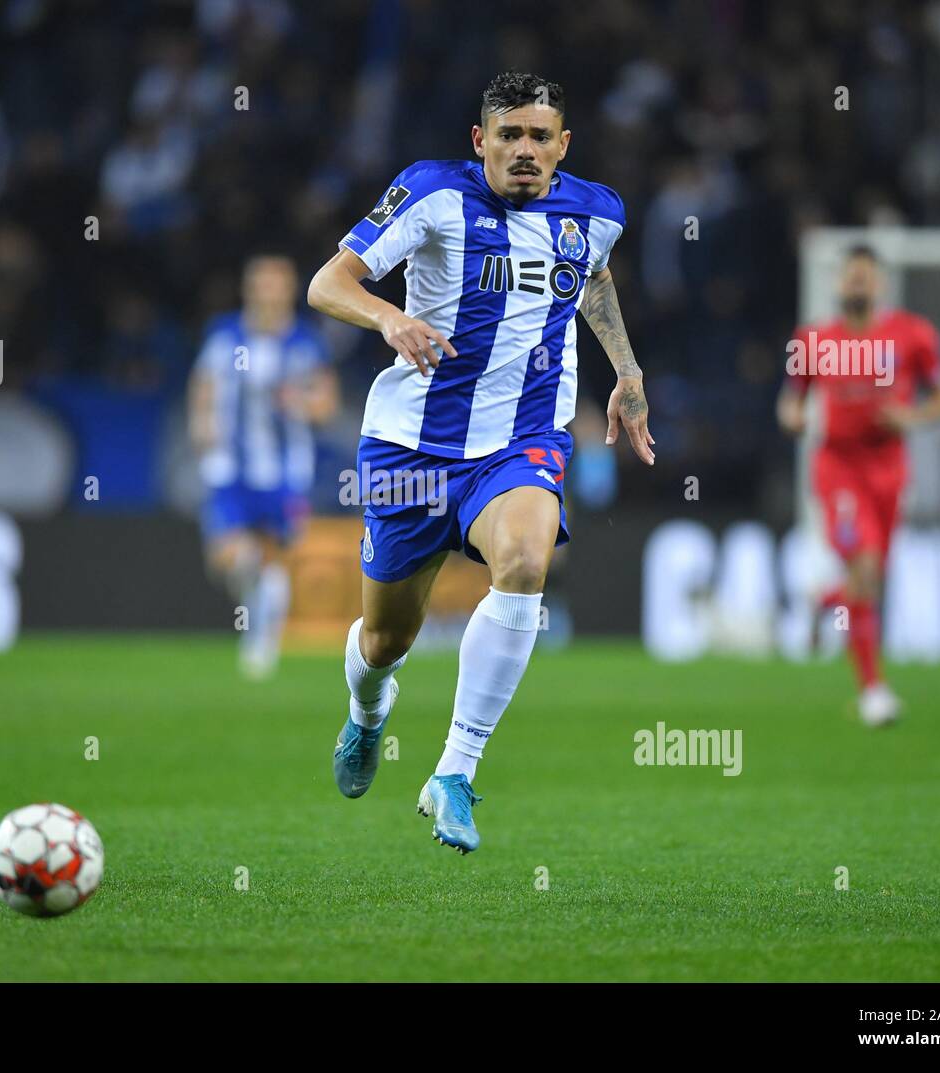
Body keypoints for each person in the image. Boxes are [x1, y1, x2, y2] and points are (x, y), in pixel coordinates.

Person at [307, 72, 652, 854]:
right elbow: (329, 282)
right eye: (509, 136)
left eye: (540, 137)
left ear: (564, 145)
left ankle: (454, 771)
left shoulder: (597, 213)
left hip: (521, 436)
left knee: (526, 558)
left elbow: (590, 277)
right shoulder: (430, 194)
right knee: (385, 639)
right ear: (481, 141)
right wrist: (389, 316)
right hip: (410, 445)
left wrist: (626, 371)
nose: (524, 151)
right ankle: (367, 713)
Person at [777, 245, 940, 726]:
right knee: (868, 567)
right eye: (850, 277)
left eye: (865, 277)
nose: (857, 284)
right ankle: (873, 691)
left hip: (889, 468)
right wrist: (793, 419)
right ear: (838, 284)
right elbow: (791, 400)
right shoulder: (813, 339)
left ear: (879, 285)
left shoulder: (913, 335)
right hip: (838, 469)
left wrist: (911, 416)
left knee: (869, 583)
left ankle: (824, 601)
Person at [188, 254, 337, 678]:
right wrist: (201, 426)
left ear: (290, 291)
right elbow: (204, 386)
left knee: (273, 558)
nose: (268, 293)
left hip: (285, 471)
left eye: (276, 285)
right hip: (228, 467)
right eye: (261, 284)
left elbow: (325, 406)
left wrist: (302, 405)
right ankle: (259, 588)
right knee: (226, 559)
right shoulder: (224, 336)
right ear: (249, 289)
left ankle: (261, 640)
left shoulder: (306, 344)